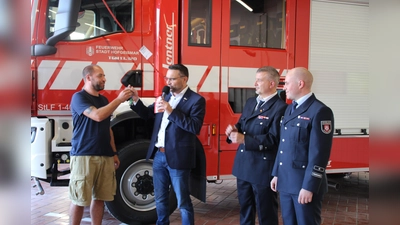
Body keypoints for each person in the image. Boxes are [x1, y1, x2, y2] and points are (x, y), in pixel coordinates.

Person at [128, 64, 206, 225]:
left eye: (172, 78)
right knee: (160, 197)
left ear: (184, 79)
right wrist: (135, 100)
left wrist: (171, 111)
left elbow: (194, 127)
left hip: (179, 157)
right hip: (159, 155)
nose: (168, 82)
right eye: (167, 78)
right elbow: (148, 114)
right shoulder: (165, 97)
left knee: (183, 201)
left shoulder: (196, 100)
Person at [69, 64, 133, 225]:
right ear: (88, 77)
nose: (104, 79)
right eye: (100, 75)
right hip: (84, 155)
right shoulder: (79, 97)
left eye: (104, 76)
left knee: (100, 198)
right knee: (79, 200)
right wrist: (119, 100)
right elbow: (97, 116)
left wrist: (114, 153)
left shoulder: (103, 100)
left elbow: (107, 128)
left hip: (105, 155)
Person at [270, 67, 334, 225]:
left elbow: (319, 154)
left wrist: (309, 187)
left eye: (287, 83)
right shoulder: (291, 108)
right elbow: (283, 144)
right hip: (286, 182)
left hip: (303, 185)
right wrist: (277, 173)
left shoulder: (320, 111)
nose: (284, 87)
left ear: (300, 83)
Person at [225, 66, 287, 225]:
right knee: (245, 209)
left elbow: (274, 139)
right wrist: (234, 130)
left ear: (272, 83)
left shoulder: (280, 108)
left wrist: (244, 139)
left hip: (262, 169)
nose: (255, 83)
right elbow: (242, 124)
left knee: (266, 212)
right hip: (244, 166)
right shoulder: (251, 102)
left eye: (259, 80)